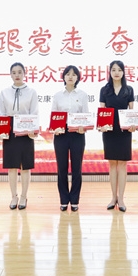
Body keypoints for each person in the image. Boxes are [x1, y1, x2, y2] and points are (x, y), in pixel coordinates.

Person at [0, 62, 39, 210]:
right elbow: (1, 113)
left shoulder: (32, 92)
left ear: (24, 74)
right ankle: (14, 196)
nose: (17, 75)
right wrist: (0, 131)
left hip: (26, 130)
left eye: (20, 72)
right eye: (14, 72)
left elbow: (34, 112)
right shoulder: (4, 92)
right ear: (10, 74)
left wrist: (32, 129)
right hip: (10, 130)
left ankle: (23, 196)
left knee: (25, 166)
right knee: (12, 166)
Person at [99, 60, 135, 212]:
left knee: (122, 164)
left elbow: (132, 112)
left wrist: (133, 124)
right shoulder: (104, 90)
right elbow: (102, 111)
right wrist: (101, 125)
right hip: (109, 130)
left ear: (123, 72)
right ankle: (113, 197)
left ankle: (121, 199)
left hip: (124, 130)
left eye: (119, 70)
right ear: (109, 72)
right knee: (112, 164)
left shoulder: (129, 90)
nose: (116, 73)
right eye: (113, 70)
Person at [52, 65, 89, 212]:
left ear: (78, 77)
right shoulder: (57, 96)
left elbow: (85, 115)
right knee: (61, 168)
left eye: (74, 74)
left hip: (77, 134)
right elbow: (54, 116)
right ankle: (63, 199)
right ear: (64, 77)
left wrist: (83, 127)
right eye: (68, 74)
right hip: (61, 134)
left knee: (76, 168)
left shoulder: (83, 95)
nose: (70, 77)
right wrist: (55, 128)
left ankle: (74, 200)